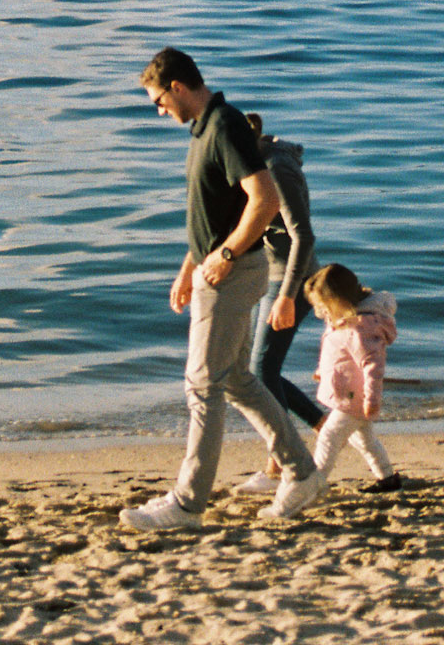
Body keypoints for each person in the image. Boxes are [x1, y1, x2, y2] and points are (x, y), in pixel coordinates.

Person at [119, 49, 323, 533]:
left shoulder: (226, 125)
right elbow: (219, 211)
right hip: (217, 270)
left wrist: (225, 256)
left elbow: (265, 199)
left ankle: (188, 504)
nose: (158, 111)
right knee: (236, 380)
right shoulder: (206, 129)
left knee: (202, 385)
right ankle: (302, 470)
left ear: (177, 87)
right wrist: (189, 265)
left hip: (232, 275)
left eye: (157, 101)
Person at [235, 111, 326, 495]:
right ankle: (322, 425)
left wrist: (288, 295)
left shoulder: (277, 168)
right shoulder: (251, 166)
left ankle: (277, 466)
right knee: (257, 371)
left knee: (259, 373)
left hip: (293, 279)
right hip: (266, 278)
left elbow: (303, 237)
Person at [304, 261, 402, 493]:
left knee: (329, 436)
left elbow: (373, 368)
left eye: (325, 307)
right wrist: (323, 370)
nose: (322, 313)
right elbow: (336, 350)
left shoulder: (361, 328)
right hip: (348, 391)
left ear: (340, 301)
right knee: (363, 440)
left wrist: (372, 400)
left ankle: (314, 484)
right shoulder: (343, 321)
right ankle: (387, 478)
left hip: (355, 398)